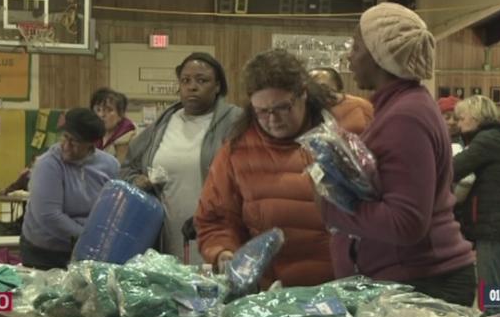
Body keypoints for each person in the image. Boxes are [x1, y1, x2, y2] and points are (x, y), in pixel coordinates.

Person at [320, 2, 476, 306]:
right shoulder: (399, 107)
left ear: (380, 55)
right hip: (413, 279)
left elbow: (406, 222)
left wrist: (331, 209)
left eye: (356, 46)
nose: (350, 55)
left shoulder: (406, 116)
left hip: (425, 282)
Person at [194, 49, 371, 288]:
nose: (273, 119)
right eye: (262, 112)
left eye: (282, 108)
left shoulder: (354, 119)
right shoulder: (237, 149)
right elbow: (216, 219)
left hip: (352, 285)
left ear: (303, 94)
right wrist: (224, 252)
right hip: (276, 292)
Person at [121, 52, 241, 263]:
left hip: (219, 239)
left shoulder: (235, 121)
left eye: (201, 80)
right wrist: (136, 181)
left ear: (218, 86)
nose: (192, 86)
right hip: (165, 239)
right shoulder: (163, 123)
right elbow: (127, 167)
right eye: (185, 80)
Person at [21, 108, 120, 270]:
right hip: (45, 253)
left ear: (91, 144)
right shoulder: (48, 164)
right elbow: (49, 216)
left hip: (87, 252)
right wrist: (89, 238)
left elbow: (112, 209)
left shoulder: (110, 165)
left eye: (74, 142)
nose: (66, 146)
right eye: (65, 137)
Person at [453, 95, 500, 290]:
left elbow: (454, 168)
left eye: (461, 118)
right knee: (498, 293)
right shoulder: (497, 138)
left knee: (491, 299)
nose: (458, 124)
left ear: (475, 117)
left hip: (494, 229)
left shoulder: (487, 140)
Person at [308, 67, 374, 134]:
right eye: (311, 86)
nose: (316, 90)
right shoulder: (306, 111)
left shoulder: (361, 106)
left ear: (338, 86)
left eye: (323, 86)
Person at [438, 96, 474, 204]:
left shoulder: (470, 140)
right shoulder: (434, 141)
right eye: (447, 117)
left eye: (456, 118)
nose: (452, 122)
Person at [90, 87, 136, 163]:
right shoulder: (90, 136)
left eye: (109, 110)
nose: (101, 114)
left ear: (120, 115)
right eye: (98, 110)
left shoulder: (131, 139)